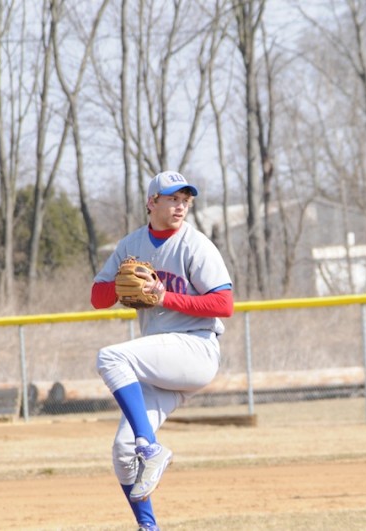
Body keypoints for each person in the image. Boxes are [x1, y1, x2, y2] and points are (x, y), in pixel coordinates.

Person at [91, 170, 233, 531]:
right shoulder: (132, 245)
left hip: (195, 349)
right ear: (151, 203)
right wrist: (123, 288)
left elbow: (224, 303)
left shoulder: (195, 244)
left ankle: (151, 448)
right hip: (161, 365)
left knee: (112, 356)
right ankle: (148, 527)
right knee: (123, 453)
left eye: (185, 199)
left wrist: (164, 296)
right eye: (172, 198)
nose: (180, 205)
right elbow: (97, 298)